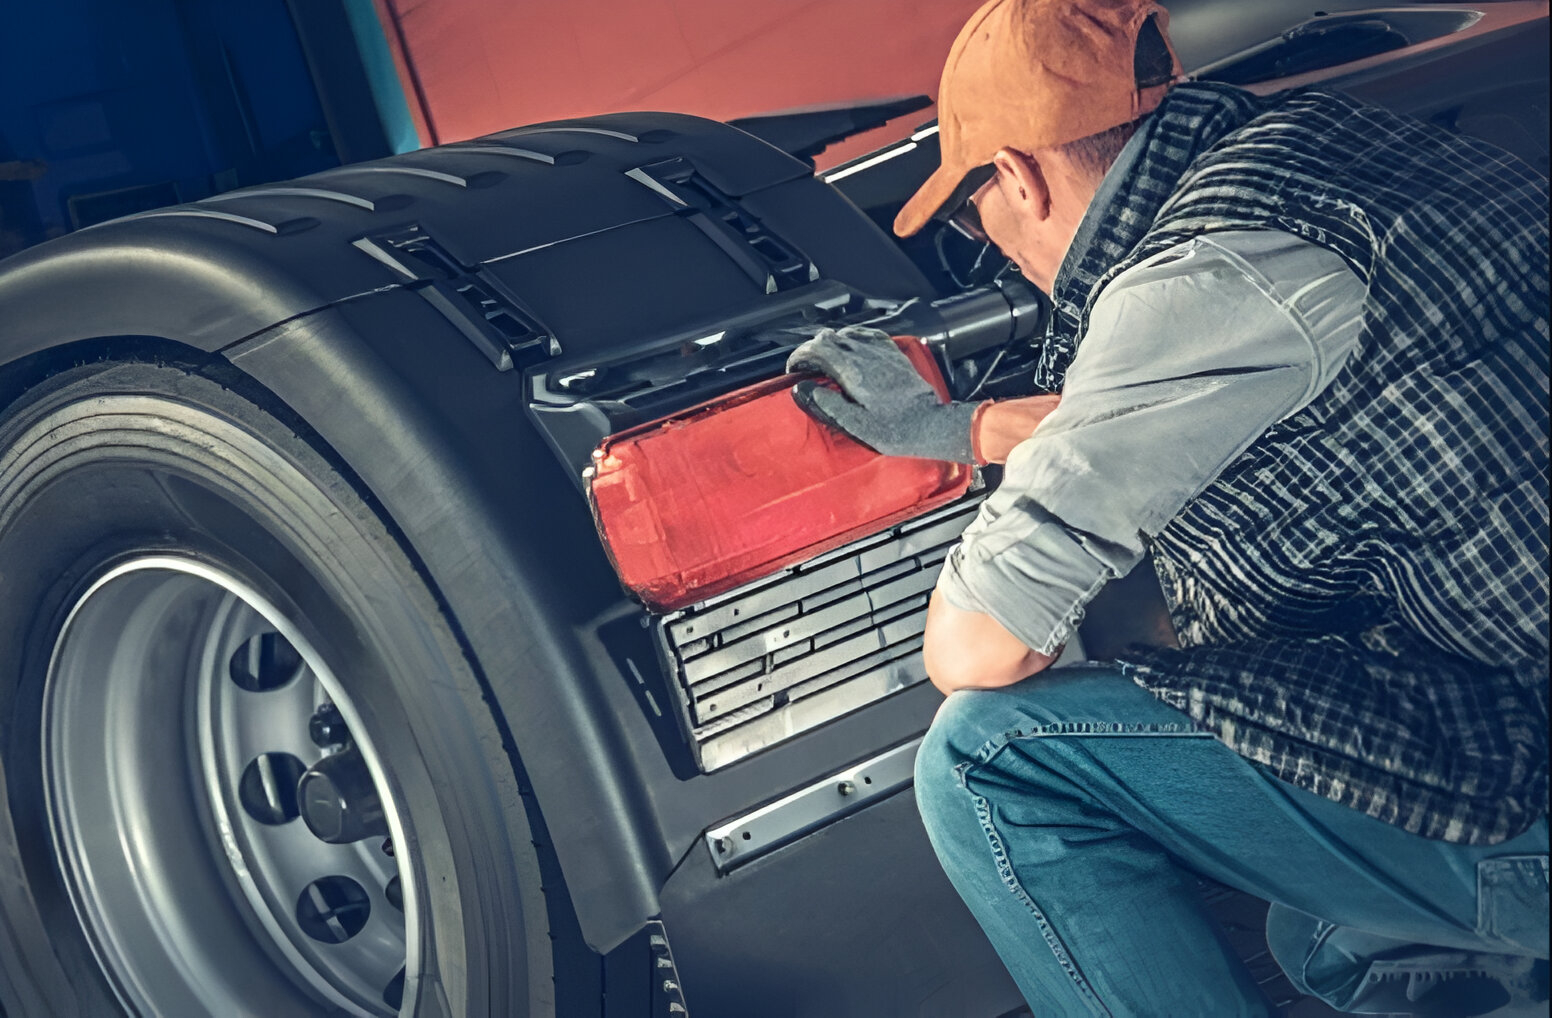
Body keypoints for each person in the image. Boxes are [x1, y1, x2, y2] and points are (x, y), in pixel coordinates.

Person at [785, 0, 1550, 1014]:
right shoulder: (1328, 154)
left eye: (975, 221)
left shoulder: (1196, 279)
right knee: (1329, 938)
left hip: (1530, 773)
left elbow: (978, 648)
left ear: (1017, 173)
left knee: (985, 763)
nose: (996, 244)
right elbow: (1209, 382)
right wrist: (970, 428)